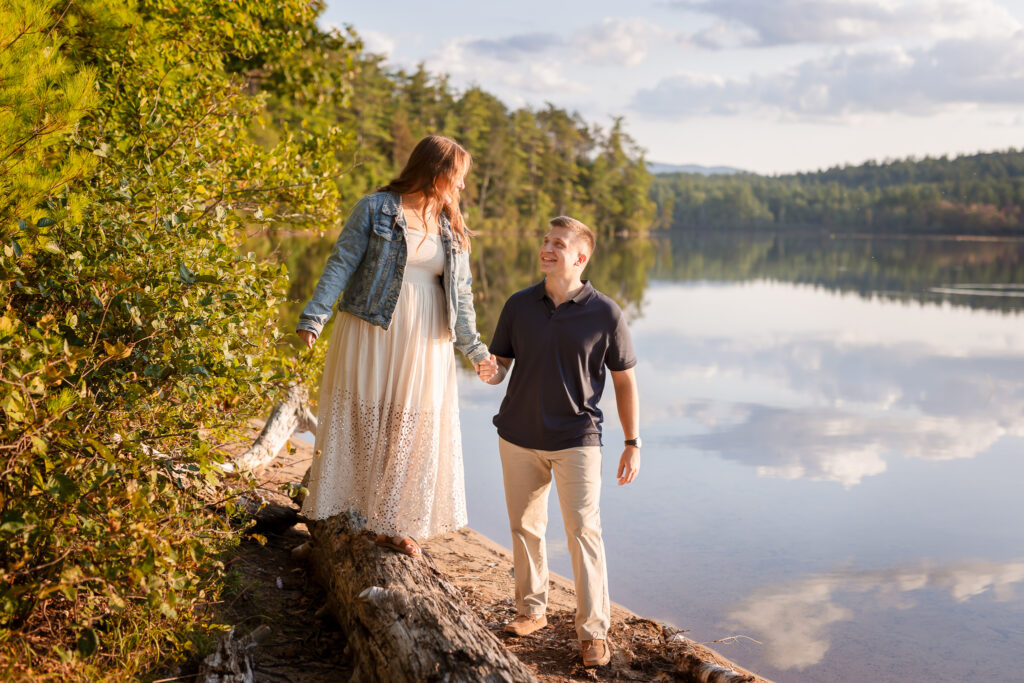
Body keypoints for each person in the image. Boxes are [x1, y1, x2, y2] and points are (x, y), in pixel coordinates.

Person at [296, 135, 493, 558]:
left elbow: (461, 294)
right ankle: (359, 514)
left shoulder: (450, 224)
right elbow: (342, 262)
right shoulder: (374, 208)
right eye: (458, 178)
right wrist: (315, 316)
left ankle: (394, 523)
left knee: (408, 426)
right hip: (373, 327)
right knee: (368, 424)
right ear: (437, 173)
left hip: (426, 338)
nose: (461, 187)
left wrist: (475, 350)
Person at [476, 216, 641, 668]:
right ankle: (532, 611)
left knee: (583, 532)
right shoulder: (518, 304)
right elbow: (501, 366)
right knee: (526, 528)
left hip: (577, 440)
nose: (547, 248)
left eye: (558, 243)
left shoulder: (606, 312)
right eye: (546, 240)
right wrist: (489, 371)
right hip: (518, 436)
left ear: (581, 257)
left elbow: (625, 382)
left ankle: (593, 632)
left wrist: (633, 441)